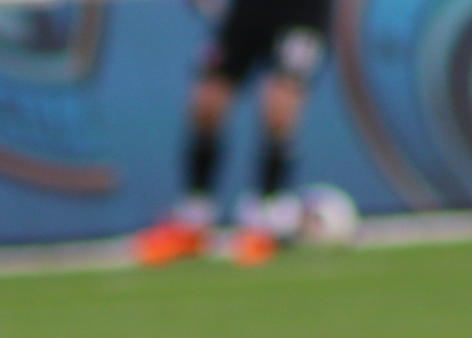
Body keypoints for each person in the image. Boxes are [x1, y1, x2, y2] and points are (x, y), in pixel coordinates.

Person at [133, 0, 334, 268]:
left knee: (279, 106)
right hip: (248, 8)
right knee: (208, 102)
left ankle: (267, 217)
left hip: (300, 9)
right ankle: (193, 218)